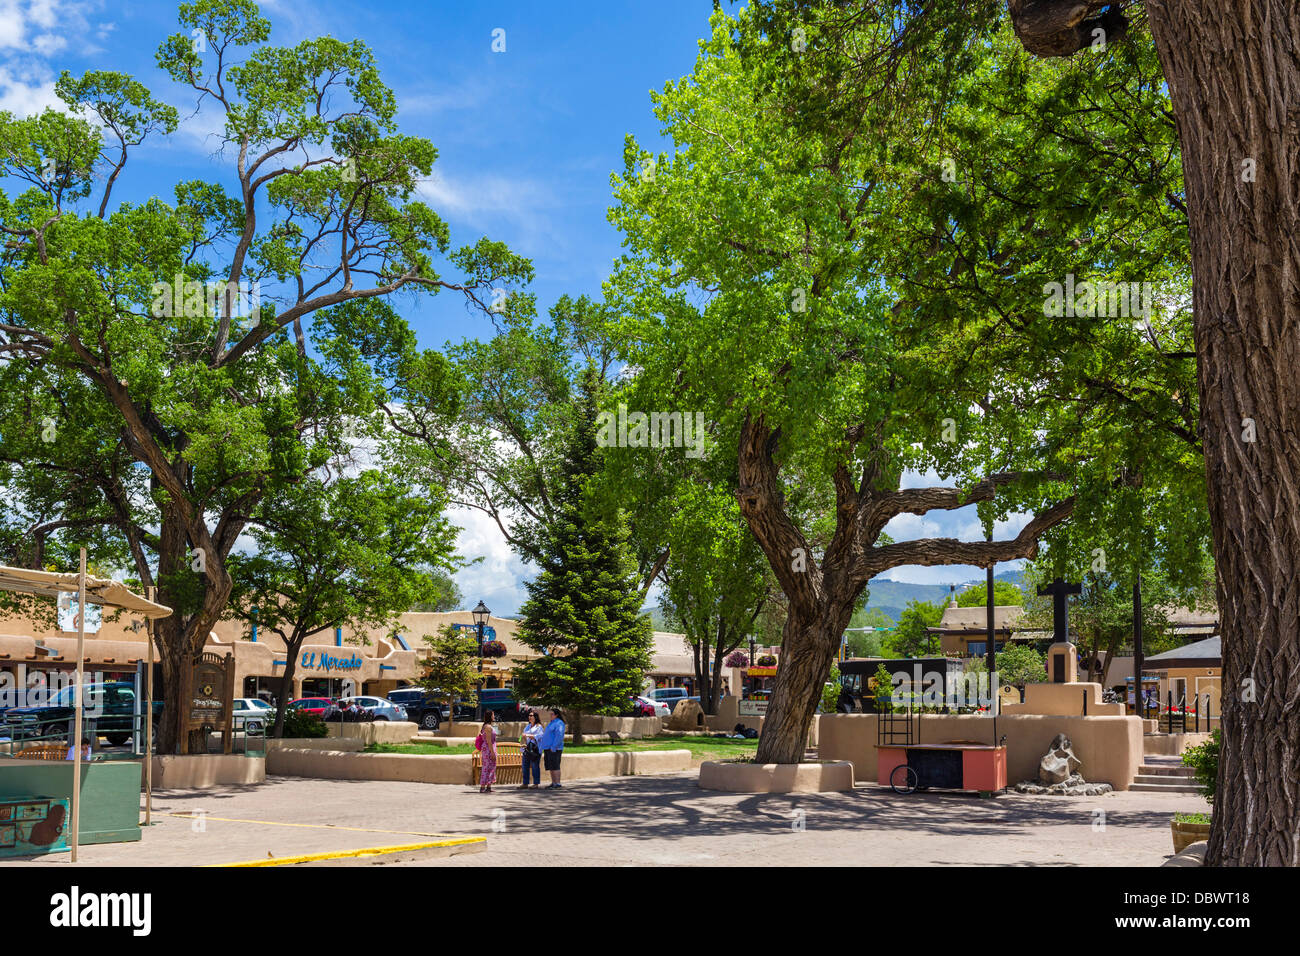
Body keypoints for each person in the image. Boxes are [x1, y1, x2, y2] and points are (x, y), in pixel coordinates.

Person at [539, 707, 565, 789]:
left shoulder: (559, 723)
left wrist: (554, 746)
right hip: (548, 748)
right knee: (551, 766)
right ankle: (553, 783)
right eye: (550, 714)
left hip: (554, 748)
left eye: (552, 714)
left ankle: (558, 784)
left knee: (555, 766)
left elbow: (559, 736)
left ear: (556, 715)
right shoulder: (551, 723)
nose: (550, 715)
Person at [520, 710, 544, 789]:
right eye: (529, 715)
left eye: (531, 716)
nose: (529, 717)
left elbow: (539, 736)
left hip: (535, 749)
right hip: (527, 749)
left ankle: (536, 783)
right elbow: (523, 736)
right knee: (525, 765)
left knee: (535, 766)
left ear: (535, 717)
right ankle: (525, 783)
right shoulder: (527, 726)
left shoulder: (539, 727)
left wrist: (528, 735)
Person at [475, 710, 498, 793]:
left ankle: (488, 786)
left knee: (491, 767)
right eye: (493, 715)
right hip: (488, 749)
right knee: (486, 767)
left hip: (489, 748)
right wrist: (492, 752)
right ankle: (482, 787)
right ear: (490, 716)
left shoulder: (486, 726)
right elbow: (488, 741)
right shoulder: (488, 727)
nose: (494, 716)